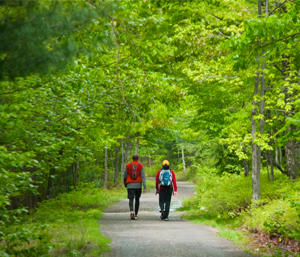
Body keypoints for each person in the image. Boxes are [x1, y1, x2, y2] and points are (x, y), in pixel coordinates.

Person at [124, 154, 147, 220]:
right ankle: (136, 214)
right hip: (138, 185)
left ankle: (131, 211)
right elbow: (143, 176)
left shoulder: (128, 166)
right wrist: (144, 186)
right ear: (138, 159)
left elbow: (125, 176)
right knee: (137, 199)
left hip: (130, 184)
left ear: (132, 158)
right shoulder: (140, 166)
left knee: (131, 198)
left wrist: (125, 183)